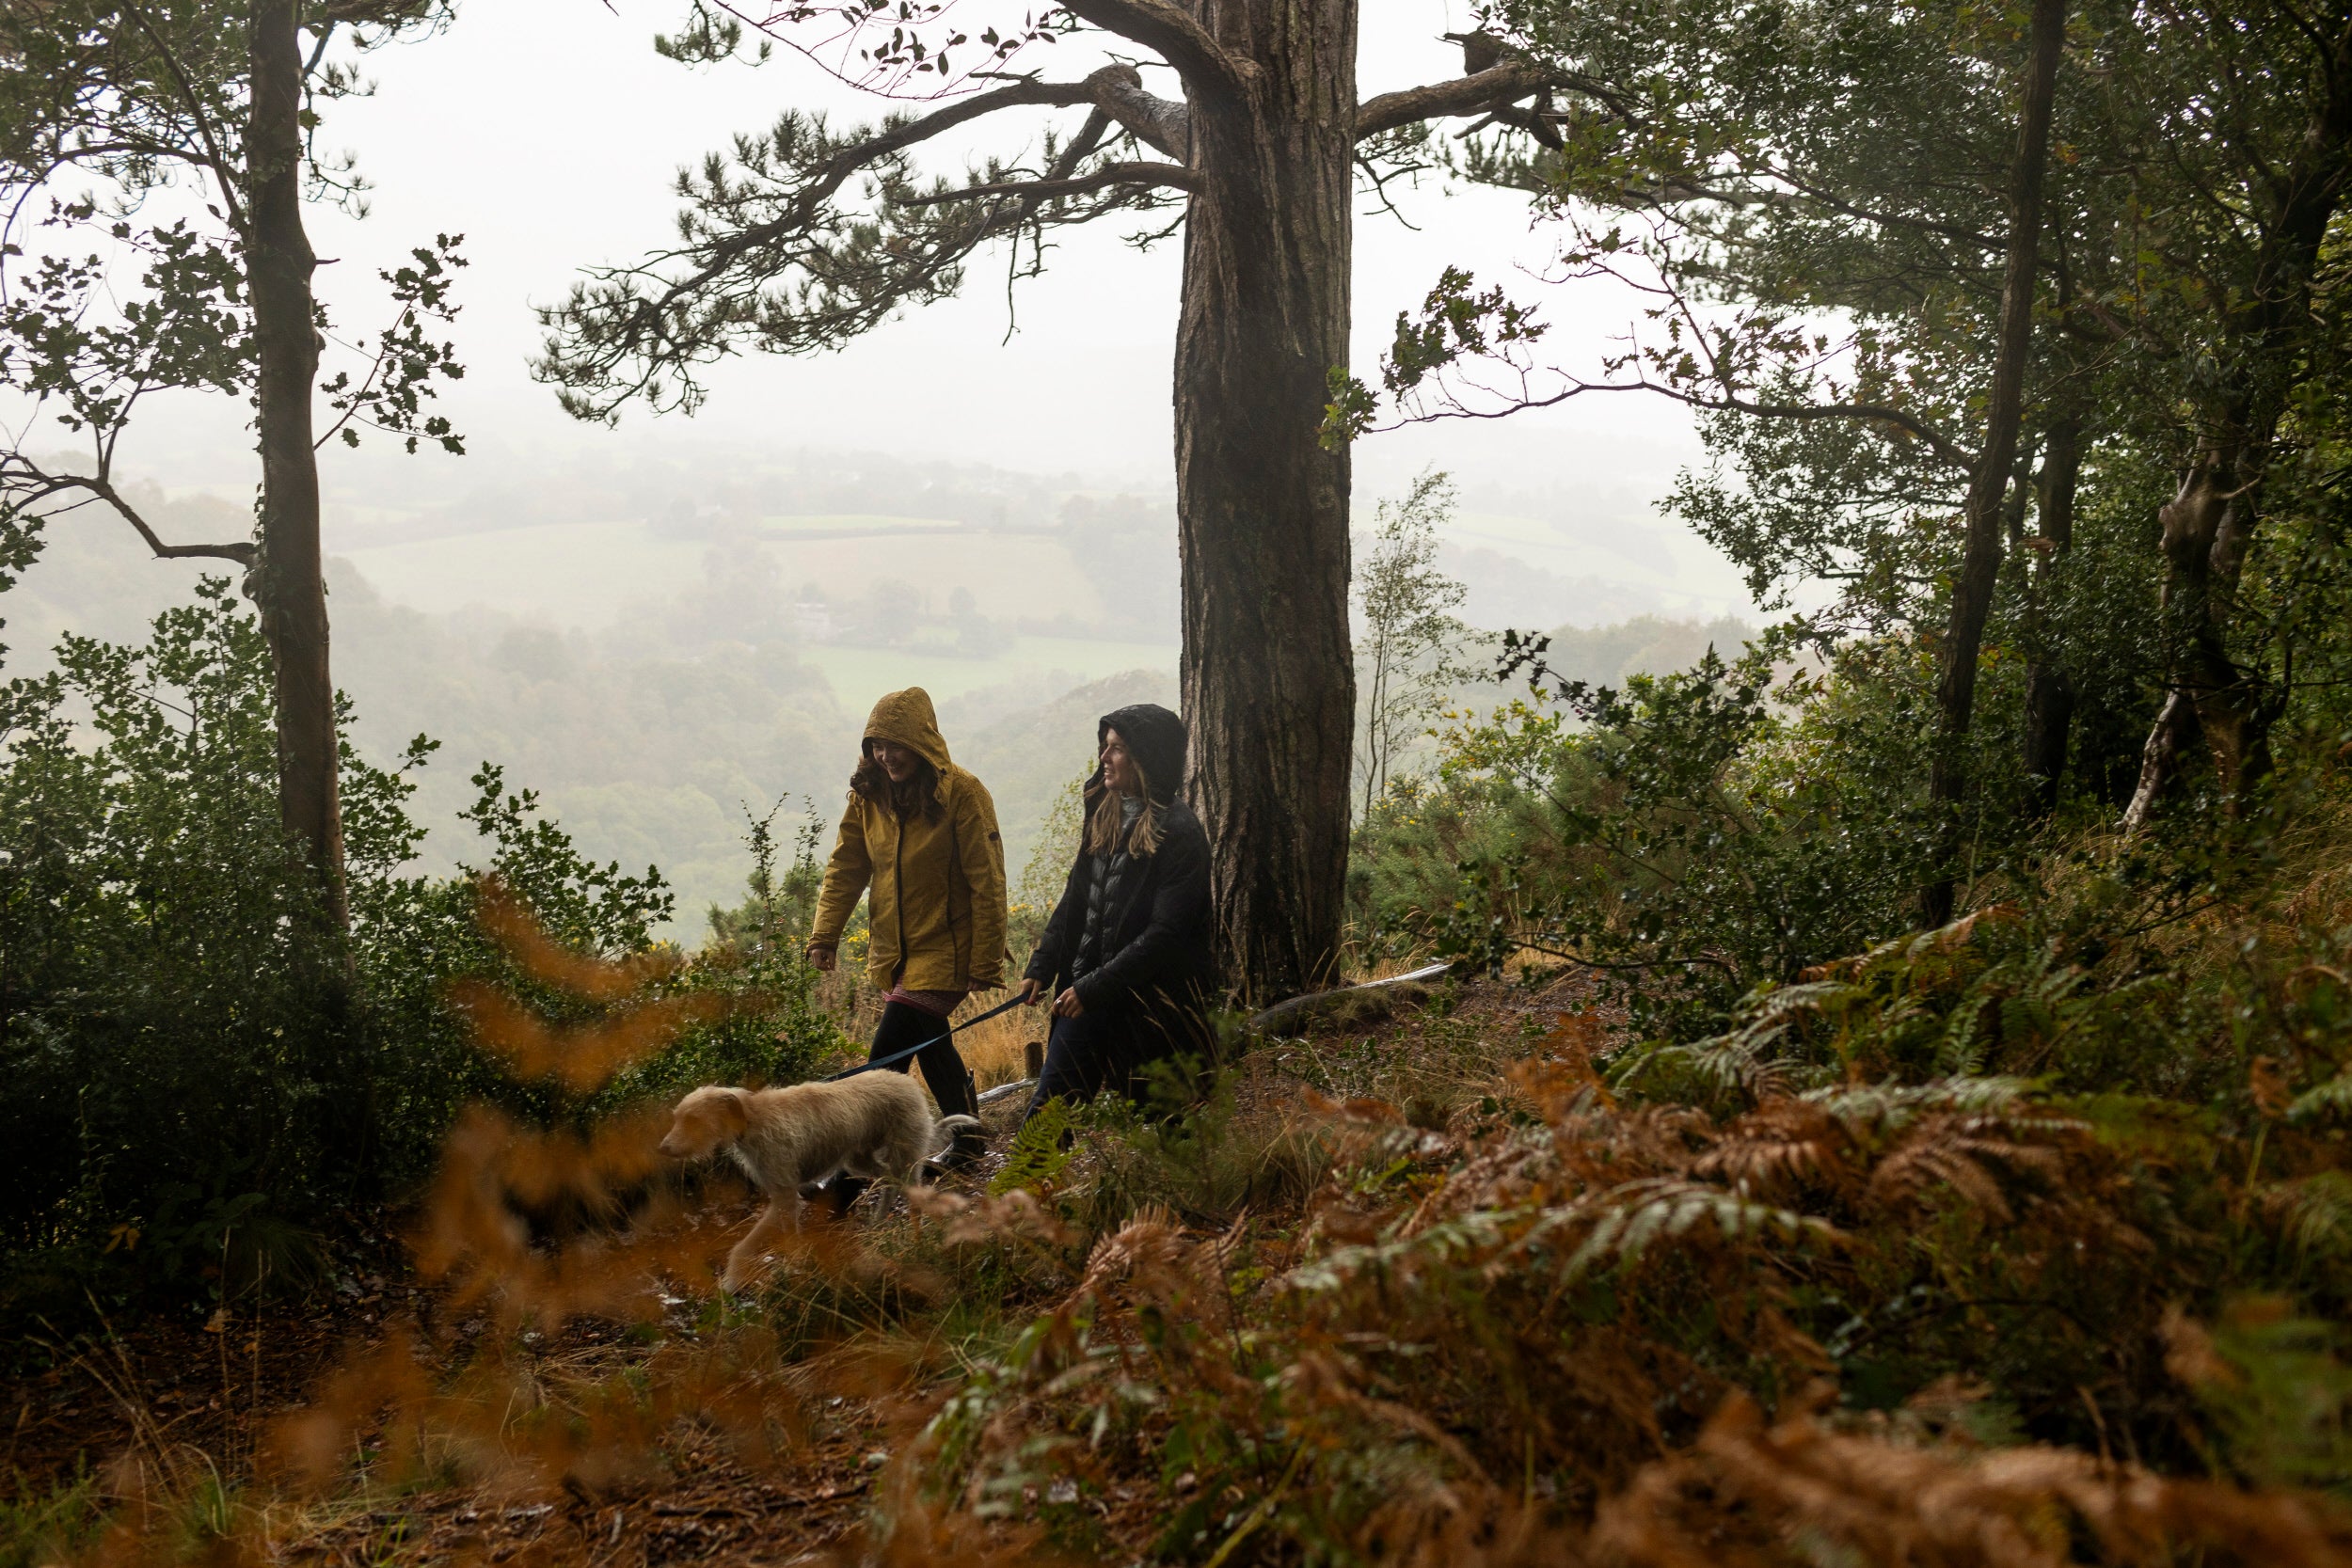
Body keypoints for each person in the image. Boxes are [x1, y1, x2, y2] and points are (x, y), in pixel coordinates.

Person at [808, 687, 1007, 1174]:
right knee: (931, 1041)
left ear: (922, 743)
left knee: (883, 1064)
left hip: (948, 947)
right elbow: (847, 865)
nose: (885, 755)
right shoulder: (868, 795)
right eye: (876, 745)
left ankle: (845, 1184)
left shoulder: (964, 793)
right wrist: (824, 933)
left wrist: (985, 959)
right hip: (896, 952)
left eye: (894, 745)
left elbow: (988, 879)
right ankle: (969, 1140)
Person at [1017, 703, 1215, 1121]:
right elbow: (1077, 896)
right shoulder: (1103, 811)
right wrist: (1045, 962)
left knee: (1162, 1128)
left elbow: (1166, 934)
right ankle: (1029, 1187)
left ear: (1147, 758)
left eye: (1117, 748)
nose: (1104, 758)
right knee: (1046, 1120)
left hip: (1149, 1007)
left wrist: (1095, 988)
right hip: (1084, 994)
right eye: (1105, 747)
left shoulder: (1180, 835)